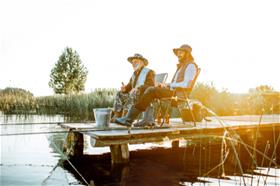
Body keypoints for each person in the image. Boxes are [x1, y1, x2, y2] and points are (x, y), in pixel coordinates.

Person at [115, 44, 199, 126]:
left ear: (187, 54)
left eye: (181, 53)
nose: (178, 55)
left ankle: (129, 119)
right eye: (178, 53)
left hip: (179, 94)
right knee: (150, 90)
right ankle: (141, 119)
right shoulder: (182, 66)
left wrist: (168, 85)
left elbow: (187, 84)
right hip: (173, 91)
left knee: (151, 90)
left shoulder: (191, 66)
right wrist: (164, 85)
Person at [111, 53, 155, 126]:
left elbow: (151, 85)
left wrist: (138, 88)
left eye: (135, 62)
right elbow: (129, 86)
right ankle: (117, 116)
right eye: (132, 62)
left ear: (142, 62)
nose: (133, 64)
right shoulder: (134, 74)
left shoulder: (149, 72)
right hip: (134, 94)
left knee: (134, 94)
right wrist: (124, 89)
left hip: (144, 95)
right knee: (120, 93)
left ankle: (127, 118)